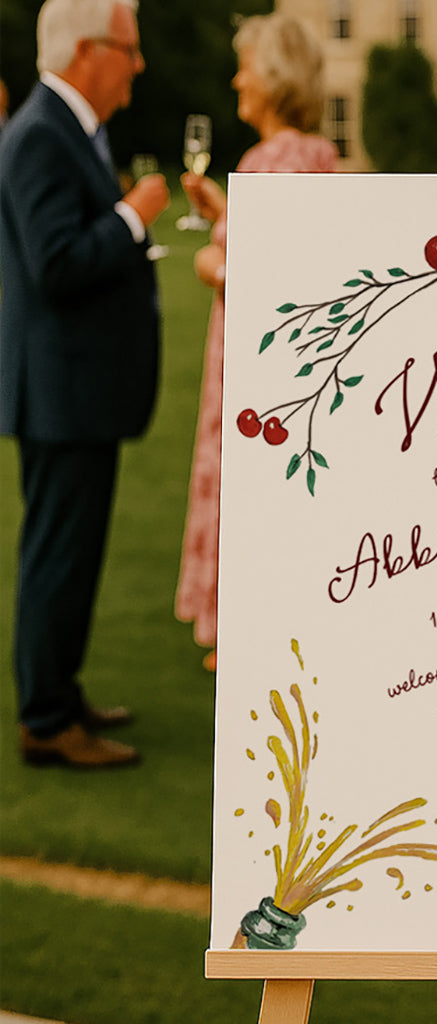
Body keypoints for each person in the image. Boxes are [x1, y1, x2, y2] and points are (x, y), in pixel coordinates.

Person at [0, 0, 169, 766]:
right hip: (61, 393)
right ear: (88, 50)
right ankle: (44, 719)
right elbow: (57, 264)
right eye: (128, 51)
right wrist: (134, 218)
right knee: (57, 556)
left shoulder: (68, 131)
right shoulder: (40, 133)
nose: (137, 66)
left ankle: (59, 695)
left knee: (71, 553)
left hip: (80, 392)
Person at [174, 13, 338, 671]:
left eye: (247, 66)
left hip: (250, 361)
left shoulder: (271, 162)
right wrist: (222, 213)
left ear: (272, 79)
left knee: (244, 477)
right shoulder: (316, 157)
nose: (237, 78)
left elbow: (267, 275)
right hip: (290, 366)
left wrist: (209, 263)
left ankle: (243, 631)